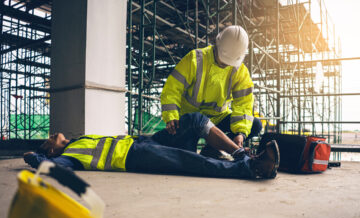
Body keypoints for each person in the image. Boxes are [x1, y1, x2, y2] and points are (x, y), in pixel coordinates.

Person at [24, 113, 279, 179]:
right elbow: (54, 166)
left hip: (142, 142)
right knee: (188, 161)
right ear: (51, 149)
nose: (56, 134)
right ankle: (251, 167)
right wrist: (35, 158)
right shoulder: (69, 157)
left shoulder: (78, 140)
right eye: (51, 138)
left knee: (192, 121)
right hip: (135, 157)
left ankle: (238, 153)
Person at [161, 25, 261, 159]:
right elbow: (172, 88)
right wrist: (171, 116)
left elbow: (244, 104)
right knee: (187, 157)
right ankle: (200, 147)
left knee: (255, 125)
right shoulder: (195, 59)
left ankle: (212, 149)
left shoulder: (240, 71)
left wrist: (240, 133)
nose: (226, 64)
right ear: (217, 44)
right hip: (192, 121)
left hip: (218, 118)